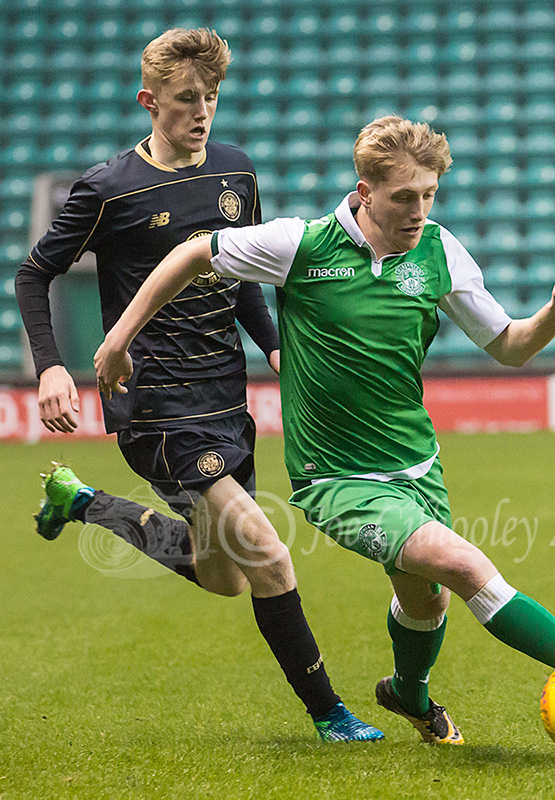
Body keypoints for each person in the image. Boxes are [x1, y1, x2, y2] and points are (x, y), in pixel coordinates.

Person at [94, 115, 555, 745]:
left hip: (418, 467)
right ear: (365, 190)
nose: (419, 209)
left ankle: (407, 694)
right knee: (461, 563)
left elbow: (509, 346)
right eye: (405, 196)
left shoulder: (440, 251)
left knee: (427, 602)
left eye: (429, 194)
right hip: (337, 480)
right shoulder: (303, 245)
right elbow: (193, 251)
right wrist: (119, 340)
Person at [15, 28, 384, 743]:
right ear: (148, 101)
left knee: (225, 578)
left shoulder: (235, 172)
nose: (201, 111)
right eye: (187, 99)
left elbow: (237, 272)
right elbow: (35, 273)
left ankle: (86, 504)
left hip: (226, 398)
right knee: (270, 556)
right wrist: (52, 364)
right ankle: (330, 714)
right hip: (154, 406)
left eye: (210, 98)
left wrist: (276, 349)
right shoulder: (108, 186)